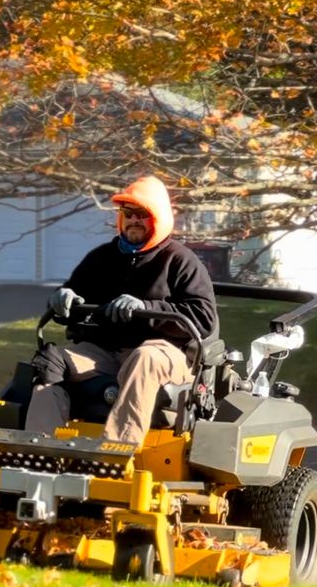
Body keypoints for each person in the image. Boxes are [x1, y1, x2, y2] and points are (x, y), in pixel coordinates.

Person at [25, 175, 218, 445]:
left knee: (144, 357)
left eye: (143, 214)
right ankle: (39, 448)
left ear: (159, 218)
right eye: (128, 213)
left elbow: (204, 319)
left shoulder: (181, 261)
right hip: (107, 352)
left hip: (167, 353)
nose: (134, 220)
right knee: (52, 360)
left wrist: (146, 308)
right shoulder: (101, 258)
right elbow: (73, 299)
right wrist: (62, 299)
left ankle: (115, 451)